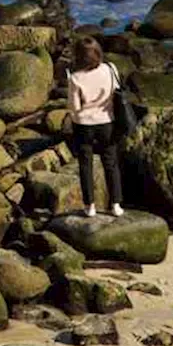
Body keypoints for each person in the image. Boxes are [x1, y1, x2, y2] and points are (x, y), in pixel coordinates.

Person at [67, 37, 123, 219]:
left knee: (85, 164)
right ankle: (116, 204)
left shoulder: (75, 78)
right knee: (111, 163)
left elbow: (74, 107)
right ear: (98, 52)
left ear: (78, 57)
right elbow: (116, 93)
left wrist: (76, 118)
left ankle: (89, 206)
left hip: (84, 125)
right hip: (107, 121)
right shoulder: (110, 69)